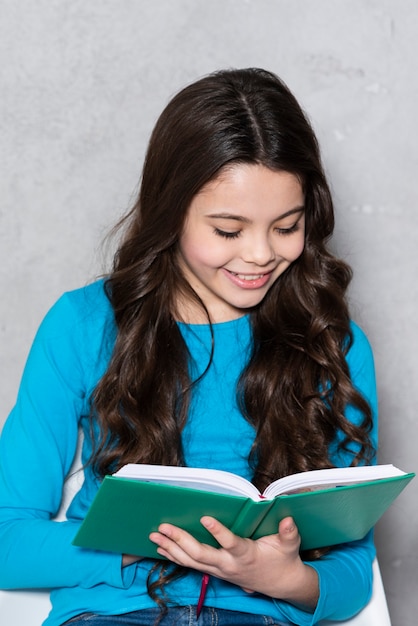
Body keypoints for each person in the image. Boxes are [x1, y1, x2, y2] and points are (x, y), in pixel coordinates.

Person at [0, 68, 377, 626]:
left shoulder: (331, 341)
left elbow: (352, 572)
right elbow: (8, 543)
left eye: (287, 226)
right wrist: (142, 539)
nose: (259, 255)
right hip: (115, 613)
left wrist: (285, 578)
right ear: (171, 211)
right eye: (228, 230)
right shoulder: (83, 324)